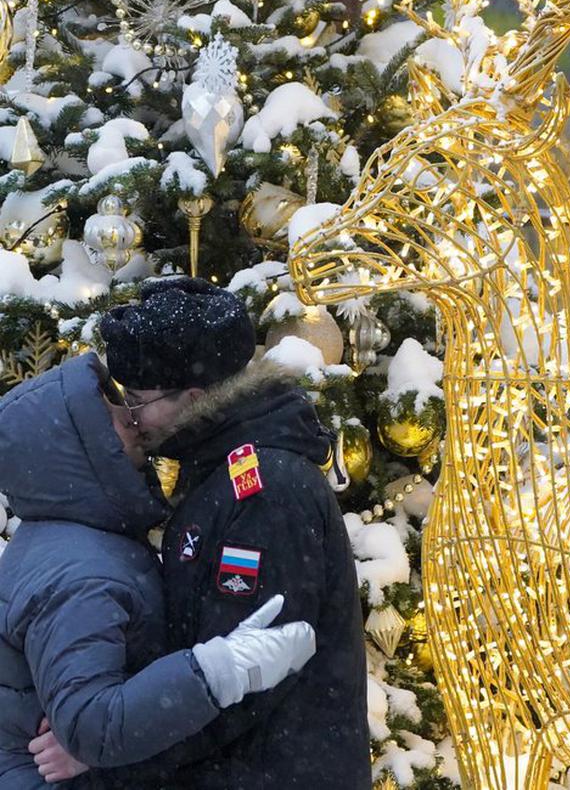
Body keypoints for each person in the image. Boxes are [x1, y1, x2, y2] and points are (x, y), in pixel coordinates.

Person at [36, 277, 371, 789]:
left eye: (141, 399)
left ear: (192, 397)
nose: (132, 417)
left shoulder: (264, 490)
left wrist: (102, 752)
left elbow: (242, 677)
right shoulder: (220, 468)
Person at [0, 349, 317, 789]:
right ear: (74, 452)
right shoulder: (79, 574)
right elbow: (91, 726)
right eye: (107, 415)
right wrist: (217, 670)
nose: (129, 418)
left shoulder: (80, 537)